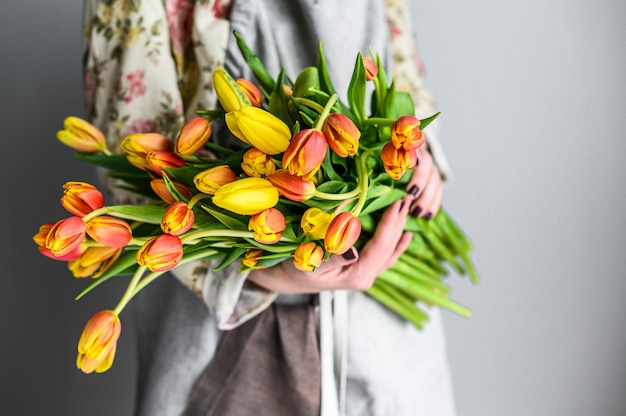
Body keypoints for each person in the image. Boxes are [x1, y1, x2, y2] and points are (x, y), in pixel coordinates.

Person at [83, 0, 456, 415]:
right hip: (229, 342)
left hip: (387, 340)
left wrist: (418, 150)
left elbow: (402, 72)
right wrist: (271, 274)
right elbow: (134, 155)